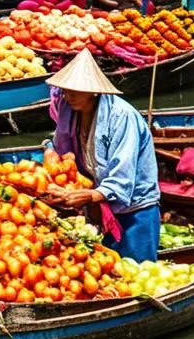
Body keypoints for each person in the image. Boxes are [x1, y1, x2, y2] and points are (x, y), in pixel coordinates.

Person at [47, 49, 160, 261]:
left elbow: (122, 178)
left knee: (137, 273)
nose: (68, 96)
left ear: (93, 91)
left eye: (75, 91)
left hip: (135, 210)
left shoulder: (121, 116)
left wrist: (89, 195)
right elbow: (62, 151)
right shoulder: (69, 108)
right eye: (65, 90)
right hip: (99, 206)